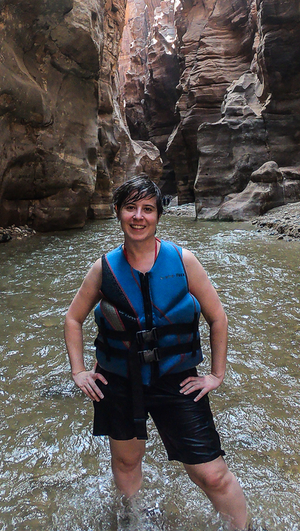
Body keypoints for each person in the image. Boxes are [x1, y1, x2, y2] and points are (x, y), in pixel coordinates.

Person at [64, 175, 250, 530]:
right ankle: (132, 521)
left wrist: (216, 375)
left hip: (176, 380)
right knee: (127, 463)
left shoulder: (183, 261)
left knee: (211, 473)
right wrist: (79, 371)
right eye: (130, 207)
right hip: (119, 381)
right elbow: (73, 319)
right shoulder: (103, 269)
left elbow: (217, 317)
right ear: (117, 212)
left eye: (147, 209)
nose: (138, 216)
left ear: (158, 216)